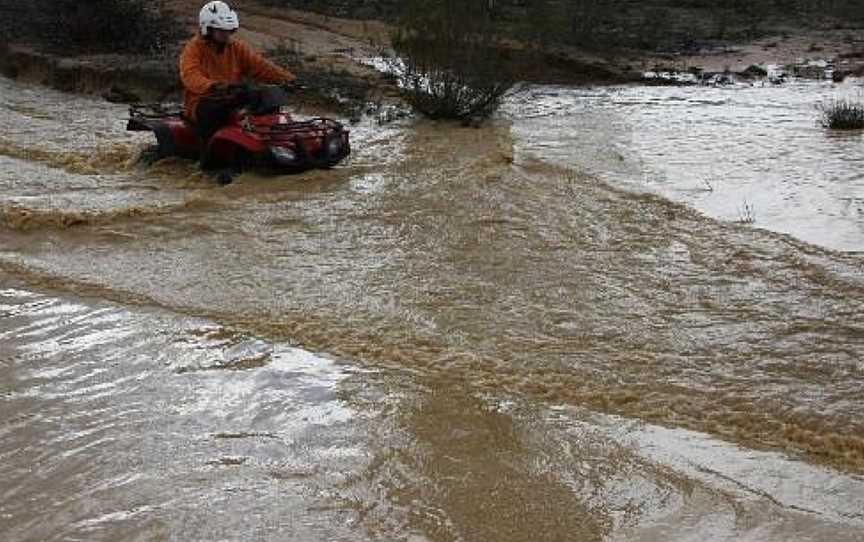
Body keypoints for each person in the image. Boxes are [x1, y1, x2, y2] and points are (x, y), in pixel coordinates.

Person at [179, 1, 295, 146]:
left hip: (232, 95)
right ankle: (210, 160)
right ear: (208, 29)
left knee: (266, 96)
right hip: (202, 100)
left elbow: (261, 66)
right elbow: (190, 76)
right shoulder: (194, 48)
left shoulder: (236, 47)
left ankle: (271, 141)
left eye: (228, 30)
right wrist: (214, 86)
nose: (226, 34)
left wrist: (288, 79)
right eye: (221, 30)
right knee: (212, 111)